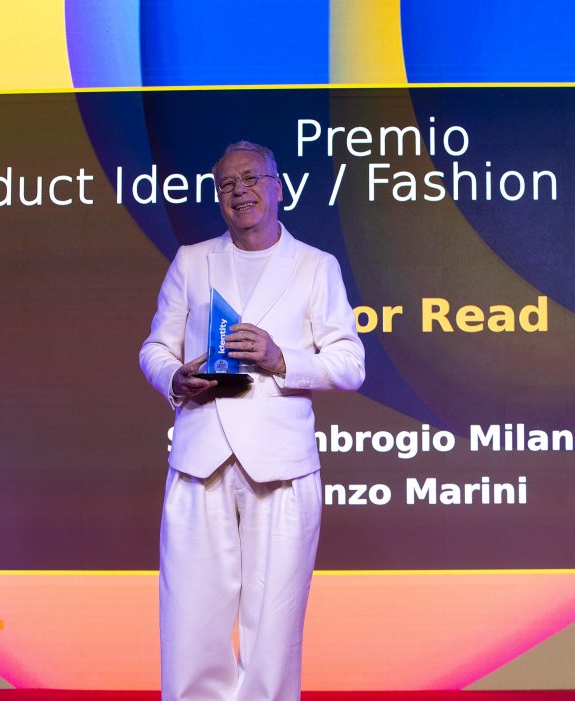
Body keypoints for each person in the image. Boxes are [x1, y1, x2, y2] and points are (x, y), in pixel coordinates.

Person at [139, 140, 365, 701]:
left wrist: (281, 358)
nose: (239, 191)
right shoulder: (192, 260)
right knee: (191, 619)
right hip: (200, 459)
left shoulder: (315, 266)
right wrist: (175, 378)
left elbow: (350, 364)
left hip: (280, 467)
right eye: (226, 184)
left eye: (251, 179)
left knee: (274, 627)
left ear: (277, 187)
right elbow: (155, 348)